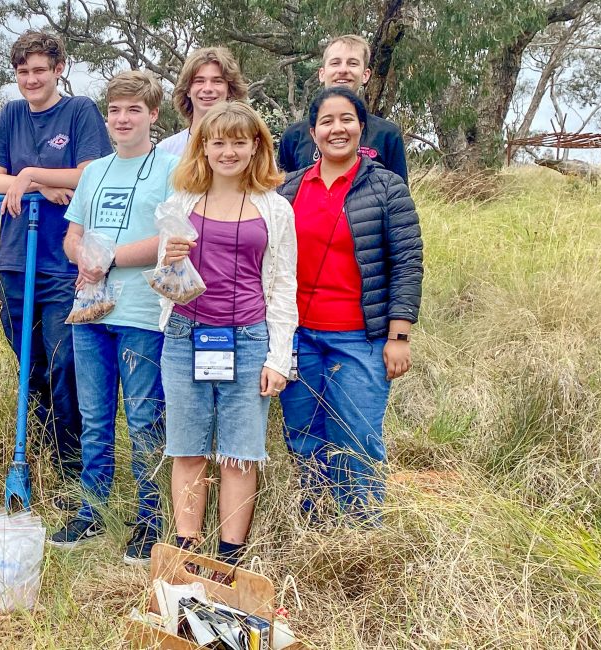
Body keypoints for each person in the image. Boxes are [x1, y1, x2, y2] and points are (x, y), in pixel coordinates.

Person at [159, 102, 297, 573]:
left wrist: (280, 357)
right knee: (188, 447)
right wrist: (170, 258)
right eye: (218, 142)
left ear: (256, 145)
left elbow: (282, 285)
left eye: (240, 141)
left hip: (248, 339)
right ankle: (187, 554)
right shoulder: (180, 203)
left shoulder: (275, 209)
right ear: (203, 147)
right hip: (184, 337)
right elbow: (165, 278)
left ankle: (229, 560)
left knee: (240, 452)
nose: (229, 151)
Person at [49, 71, 179, 565]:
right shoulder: (95, 171)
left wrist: (110, 259)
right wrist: (82, 256)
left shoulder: (170, 168)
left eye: (133, 110)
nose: (122, 119)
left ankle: (151, 518)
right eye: (116, 110)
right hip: (89, 309)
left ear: (152, 115)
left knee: (144, 417)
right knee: (95, 416)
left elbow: (171, 239)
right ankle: (93, 508)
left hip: (142, 311)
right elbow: (72, 236)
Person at [277, 86, 423, 524]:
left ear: (361, 127)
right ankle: (317, 526)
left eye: (346, 120)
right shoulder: (289, 188)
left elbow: (407, 262)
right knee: (304, 437)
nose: (337, 129)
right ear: (313, 131)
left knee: (356, 436)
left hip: (360, 337)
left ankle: (362, 533)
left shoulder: (387, 187)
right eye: (327, 121)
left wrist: (399, 335)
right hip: (299, 337)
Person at [0, 30, 113, 489]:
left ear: (59, 70)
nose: (31, 79)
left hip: (63, 263)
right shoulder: (12, 115)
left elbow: (88, 174)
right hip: (16, 259)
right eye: (23, 72)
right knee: (30, 364)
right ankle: (39, 455)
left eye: (40, 70)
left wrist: (32, 174)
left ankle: (74, 469)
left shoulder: (80, 112)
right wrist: (36, 185)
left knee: (63, 365)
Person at [277, 35, 409, 181]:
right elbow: (281, 195)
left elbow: (399, 196)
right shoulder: (293, 136)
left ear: (365, 75)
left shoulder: (387, 134)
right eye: (335, 63)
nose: (343, 70)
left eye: (352, 63)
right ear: (322, 73)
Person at [157, 47, 248, 158]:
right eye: (199, 81)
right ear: (188, 90)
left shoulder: (250, 150)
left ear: (229, 90)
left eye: (217, 81)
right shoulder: (165, 151)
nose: (207, 88)